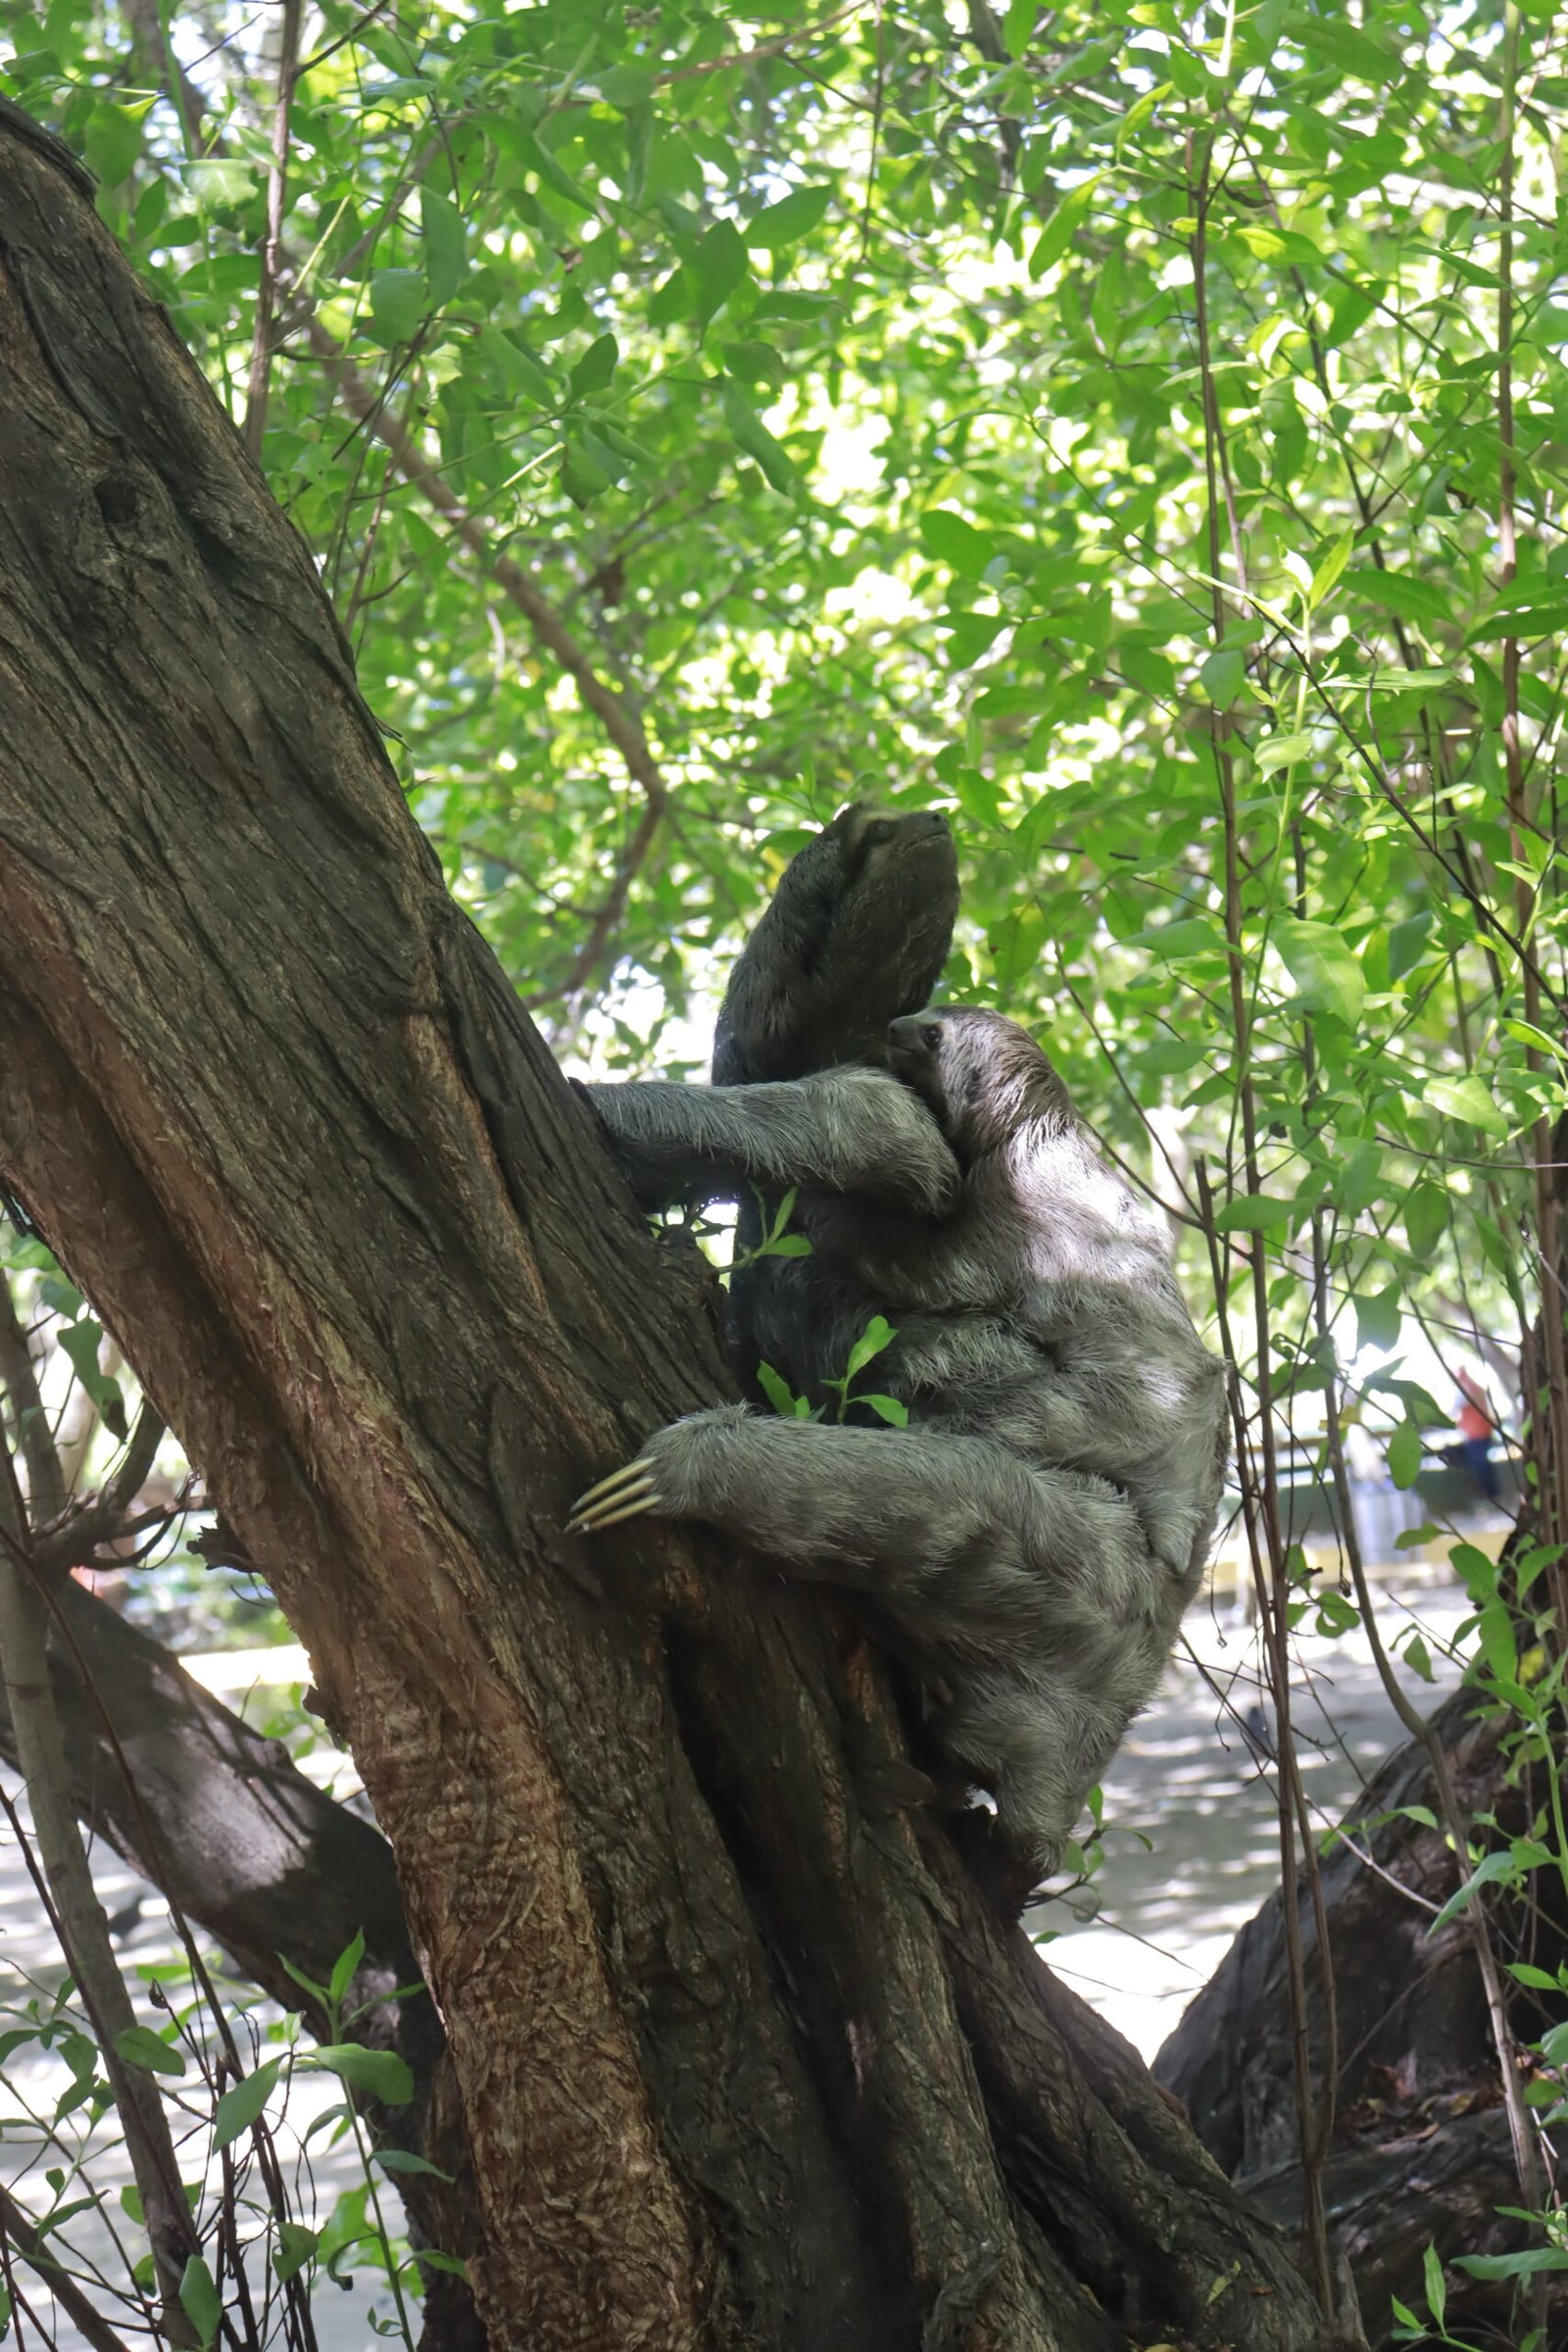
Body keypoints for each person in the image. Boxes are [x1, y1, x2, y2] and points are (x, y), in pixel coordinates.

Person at [1453, 1367, 1500, 1503]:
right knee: (1484, 1464)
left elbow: (1457, 1405)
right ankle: (1491, 1494)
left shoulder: (1466, 1389)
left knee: (1481, 1465)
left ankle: (1488, 1495)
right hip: (1482, 1430)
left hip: (1476, 1433)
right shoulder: (1475, 1387)